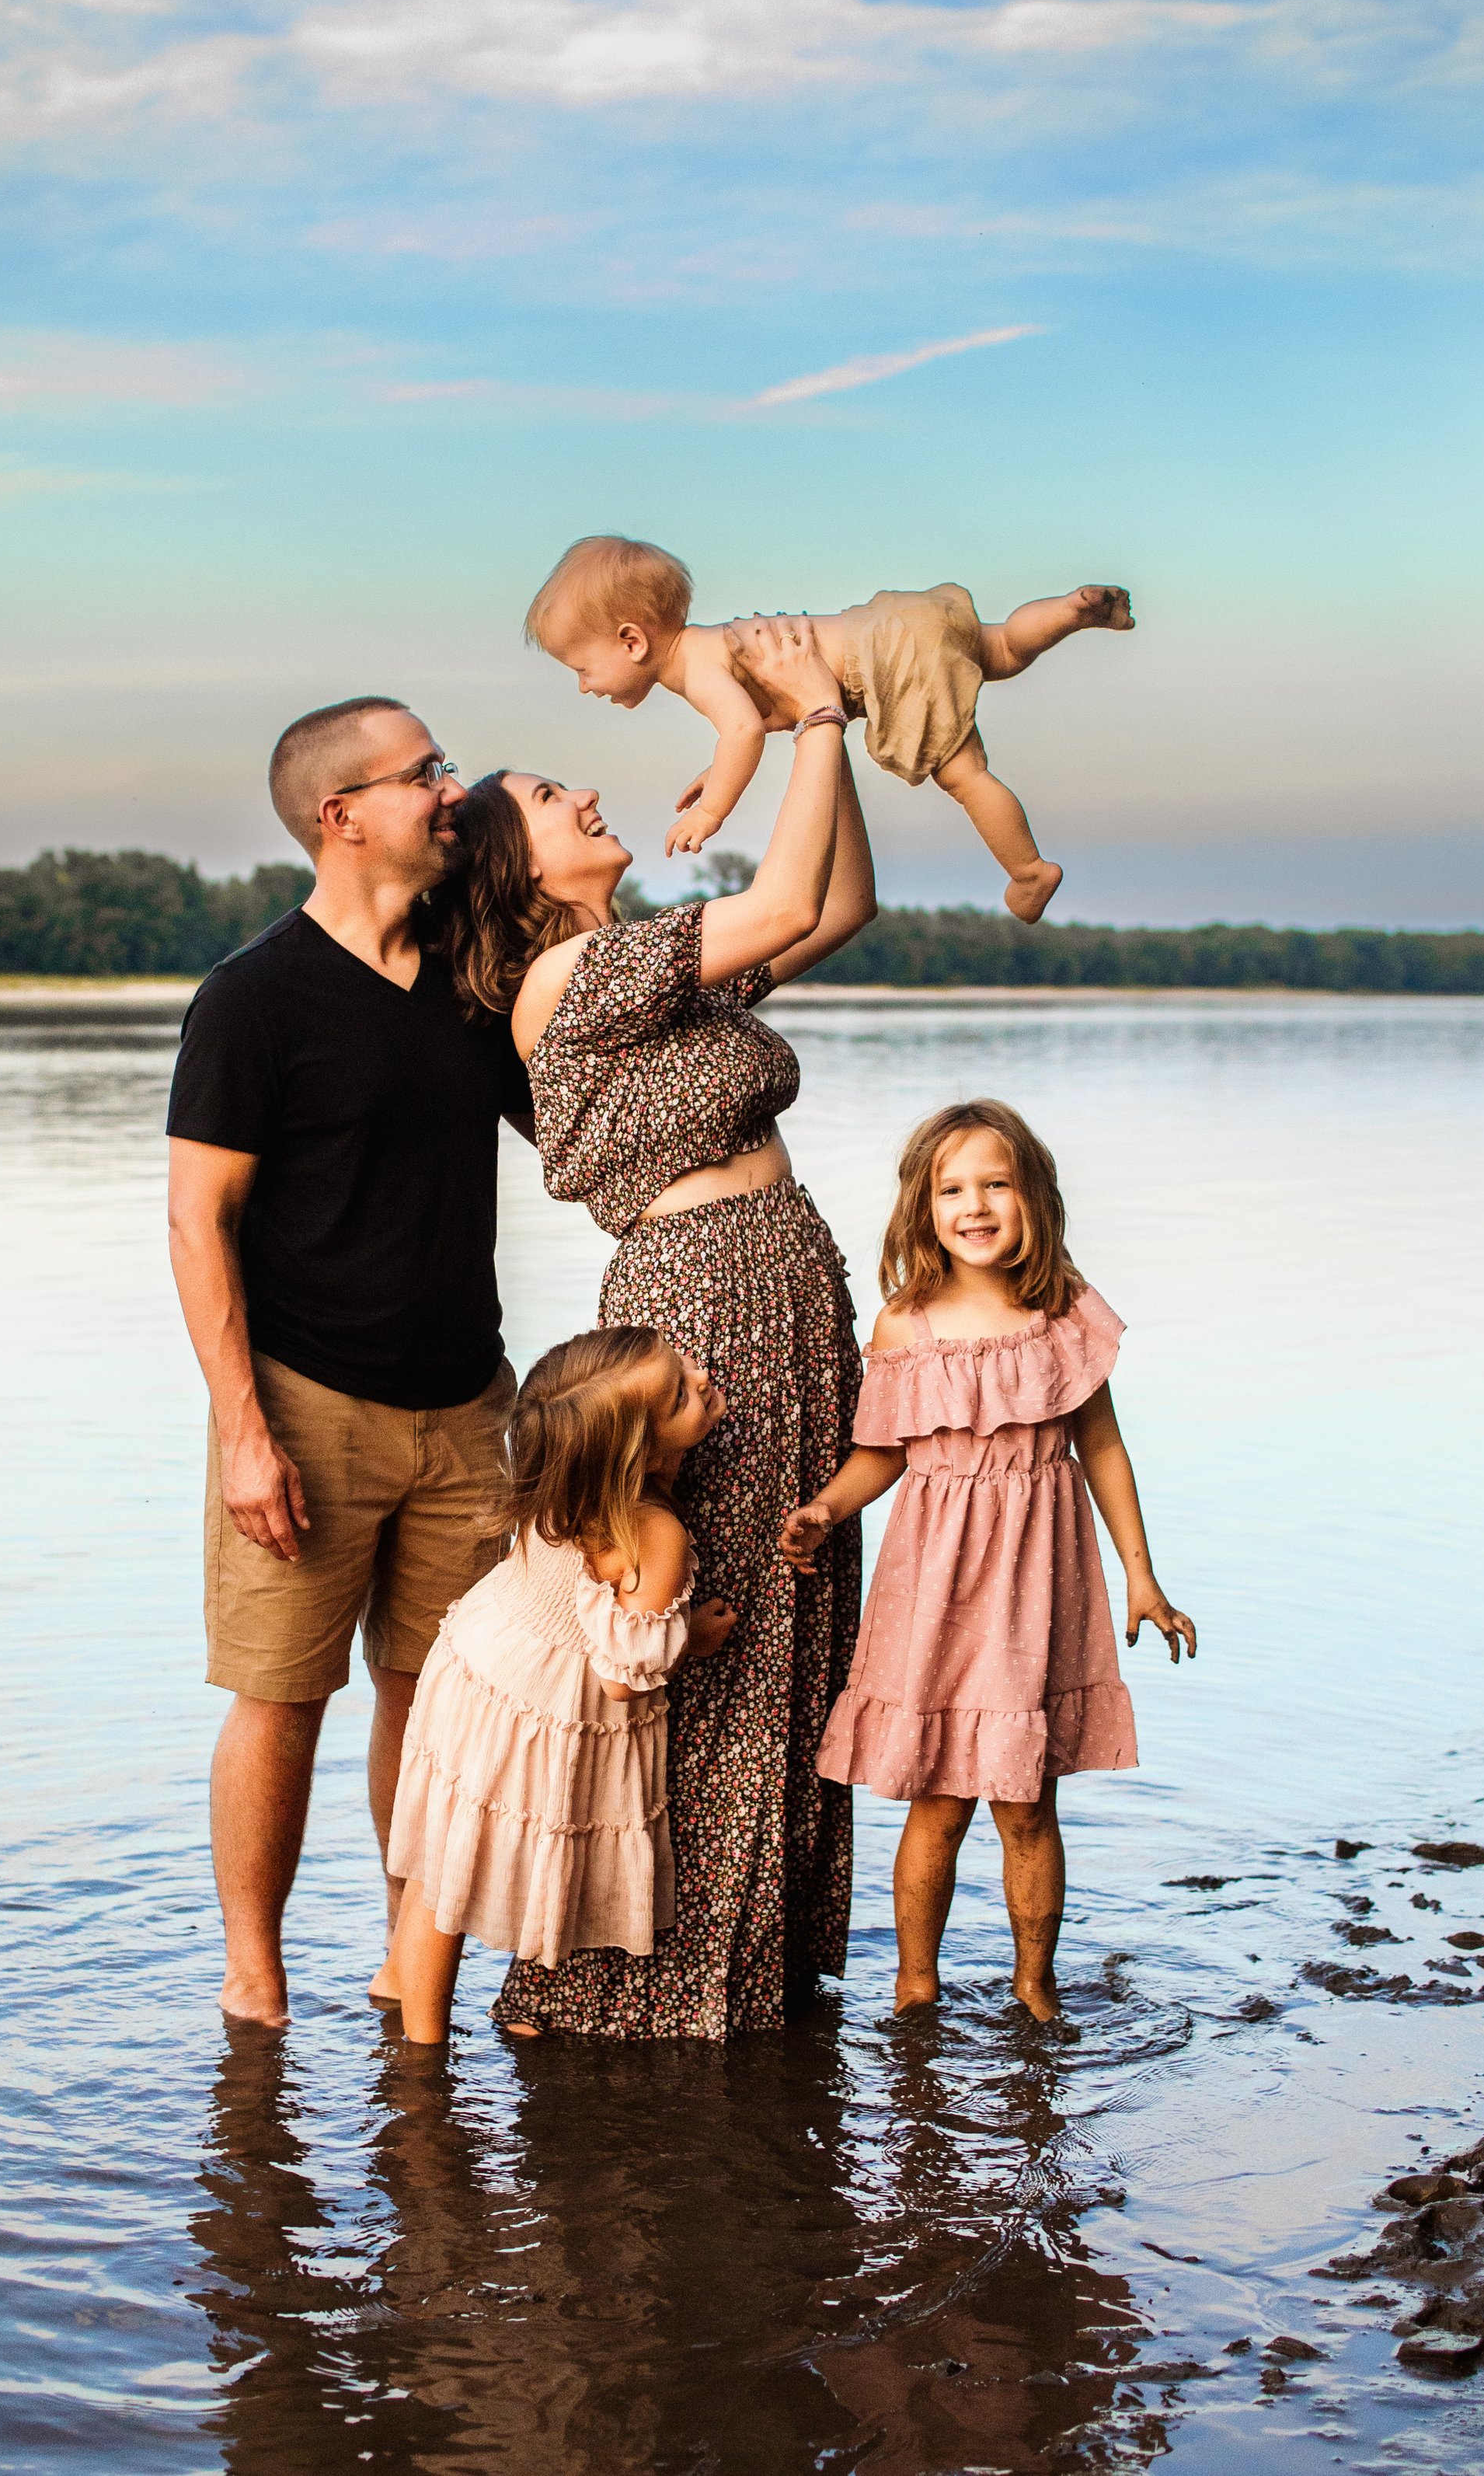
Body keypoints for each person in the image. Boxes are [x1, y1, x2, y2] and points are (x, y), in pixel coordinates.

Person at [441, 613, 876, 2038]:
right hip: (703, 1298)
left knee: (797, 1611)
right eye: (551, 801)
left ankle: (756, 1964)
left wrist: (843, 729)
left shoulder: (642, 967)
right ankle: (647, 1977)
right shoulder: (567, 978)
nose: (585, 795)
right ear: (519, 872)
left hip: (782, 1281)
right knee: (713, 1622)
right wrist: (804, 714)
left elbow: (830, 908)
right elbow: (776, 892)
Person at [165, 696, 532, 2028]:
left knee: (431, 1704)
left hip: (469, 1405)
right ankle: (254, 1979)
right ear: (343, 814)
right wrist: (241, 1431)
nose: (449, 788)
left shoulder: (469, 975)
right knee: (281, 1699)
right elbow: (198, 1219)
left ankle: (401, 1954)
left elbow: (574, 1112)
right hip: (308, 1406)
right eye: (422, 771)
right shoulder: (254, 999)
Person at [779, 1099, 1197, 2021]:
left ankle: (1034, 1986)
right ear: (922, 1209)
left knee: (1026, 1800)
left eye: (996, 1185)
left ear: (1033, 1198)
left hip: (1040, 1583)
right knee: (936, 1799)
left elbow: (1104, 1448)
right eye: (952, 1189)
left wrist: (1141, 1572)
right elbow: (883, 1452)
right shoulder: (905, 1325)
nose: (975, 1205)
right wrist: (824, 1508)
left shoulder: (1063, 1313)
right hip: (935, 1586)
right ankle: (914, 1985)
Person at [380, 1327, 740, 2044]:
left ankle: (413, 2032)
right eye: (678, 1392)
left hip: (477, 1669)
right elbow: (619, 1679)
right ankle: (427, 2052)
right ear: (641, 1452)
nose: (700, 1375)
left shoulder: (558, 1486)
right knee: (471, 1863)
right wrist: (689, 1639)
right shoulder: (655, 1533)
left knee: (445, 1864)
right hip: (538, 1707)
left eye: (681, 1367)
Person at [524, 532, 1134, 919]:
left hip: (886, 663)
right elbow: (765, 715)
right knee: (999, 646)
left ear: (631, 641)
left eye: (582, 668)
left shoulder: (698, 667)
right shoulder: (710, 649)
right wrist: (716, 774)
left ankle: (1030, 871)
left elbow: (738, 731)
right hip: (896, 623)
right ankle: (1070, 610)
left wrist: (709, 814)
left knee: (966, 774)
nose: (584, 686)